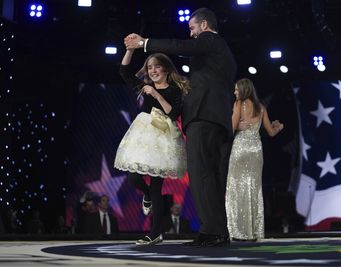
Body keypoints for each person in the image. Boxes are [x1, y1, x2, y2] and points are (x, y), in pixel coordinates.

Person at [124, 7, 237, 247]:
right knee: (212, 177)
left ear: (204, 25)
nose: (192, 34)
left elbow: (181, 46)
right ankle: (218, 230)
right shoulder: (220, 52)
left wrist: (145, 43)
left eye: (193, 28)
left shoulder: (211, 41)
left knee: (202, 175)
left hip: (204, 117)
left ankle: (211, 231)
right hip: (215, 118)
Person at [114, 46, 189, 245]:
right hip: (143, 136)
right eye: (149, 68)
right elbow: (124, 72)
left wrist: (156, 95)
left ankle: (155, 233)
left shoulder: (174, 89)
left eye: (157, 67)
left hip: (163, 139)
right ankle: (145, 194)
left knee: (157, 187)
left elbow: (173, 115)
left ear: (165, 69)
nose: (153, 71)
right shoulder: (144, 86)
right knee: (133, 177)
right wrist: (129, 50)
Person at [225, 78, 284, 241]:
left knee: (236, 188)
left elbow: (231, 128)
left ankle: (237, 231)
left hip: (240, 149)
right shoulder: (261, 108)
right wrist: (278, 127)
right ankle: (252, 231)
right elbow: (271, 132)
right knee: (253, 189)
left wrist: (236, 126)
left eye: (236, 90)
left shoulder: (239, 104)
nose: (235, 92)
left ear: (243, 90)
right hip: (256, 151)